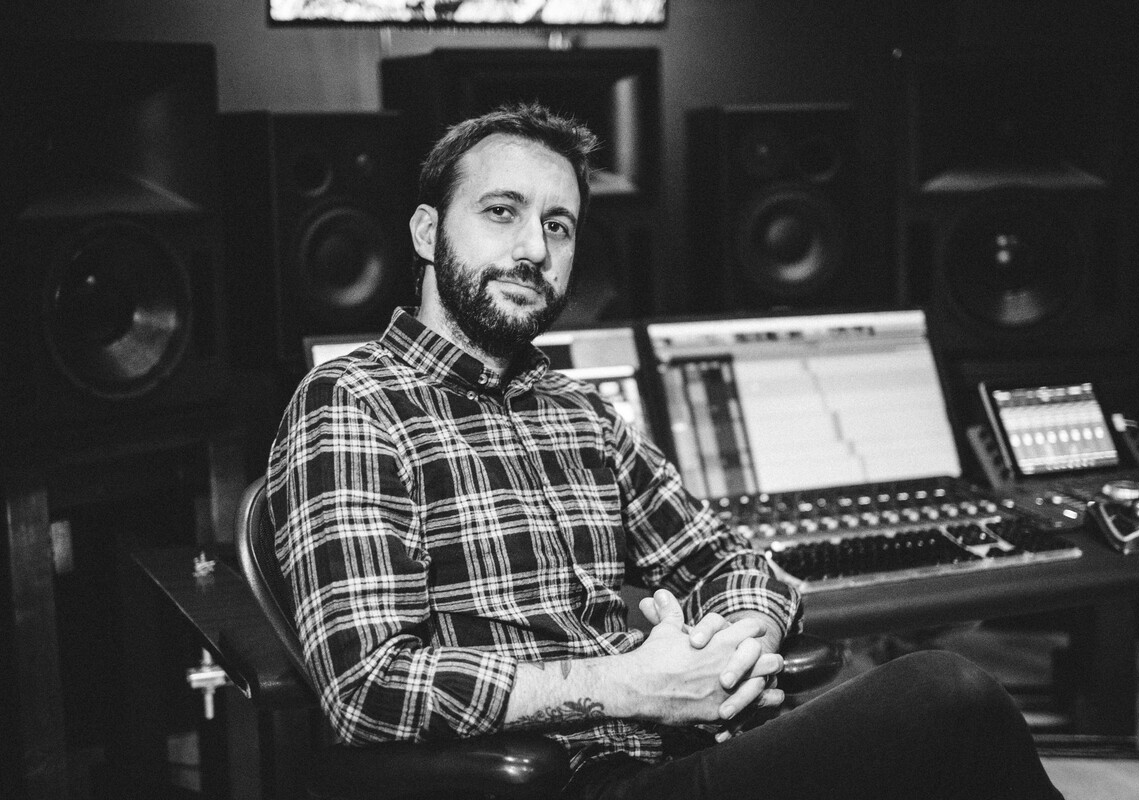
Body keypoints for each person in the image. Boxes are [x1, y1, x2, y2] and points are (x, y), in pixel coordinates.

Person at [267, 103, 1063, 799]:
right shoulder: (352, 402)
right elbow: (366, 688)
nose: (534, 249)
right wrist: (631, 685)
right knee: (944, 697)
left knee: (938, 742)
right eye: (502, 212)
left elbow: (734, 562)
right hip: (548, 785)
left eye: (558, 225)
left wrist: (733, 650)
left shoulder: (579, 413)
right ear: (426, 231)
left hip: (665, 759)